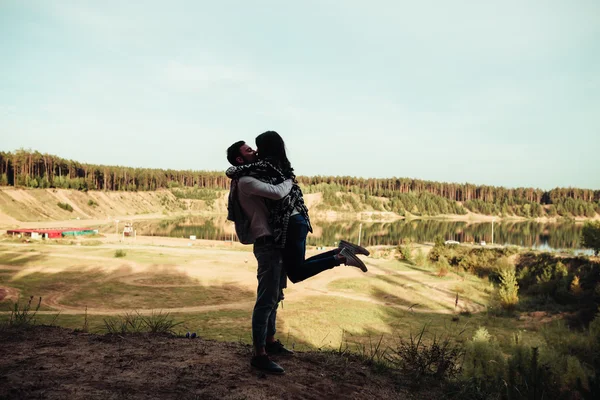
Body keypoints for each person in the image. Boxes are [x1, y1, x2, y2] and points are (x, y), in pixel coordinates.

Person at [226, 140, 291, 375]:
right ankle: (259, 354)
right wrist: (290, 178)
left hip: (273, 243)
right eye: (248, 150)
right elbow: (278, 192)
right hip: (266, 245)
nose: (254, 150)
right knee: (266, 299)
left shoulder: (252, 175)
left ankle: (271, 342)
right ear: (240, 160)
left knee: (275, 295)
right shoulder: (246, 181)